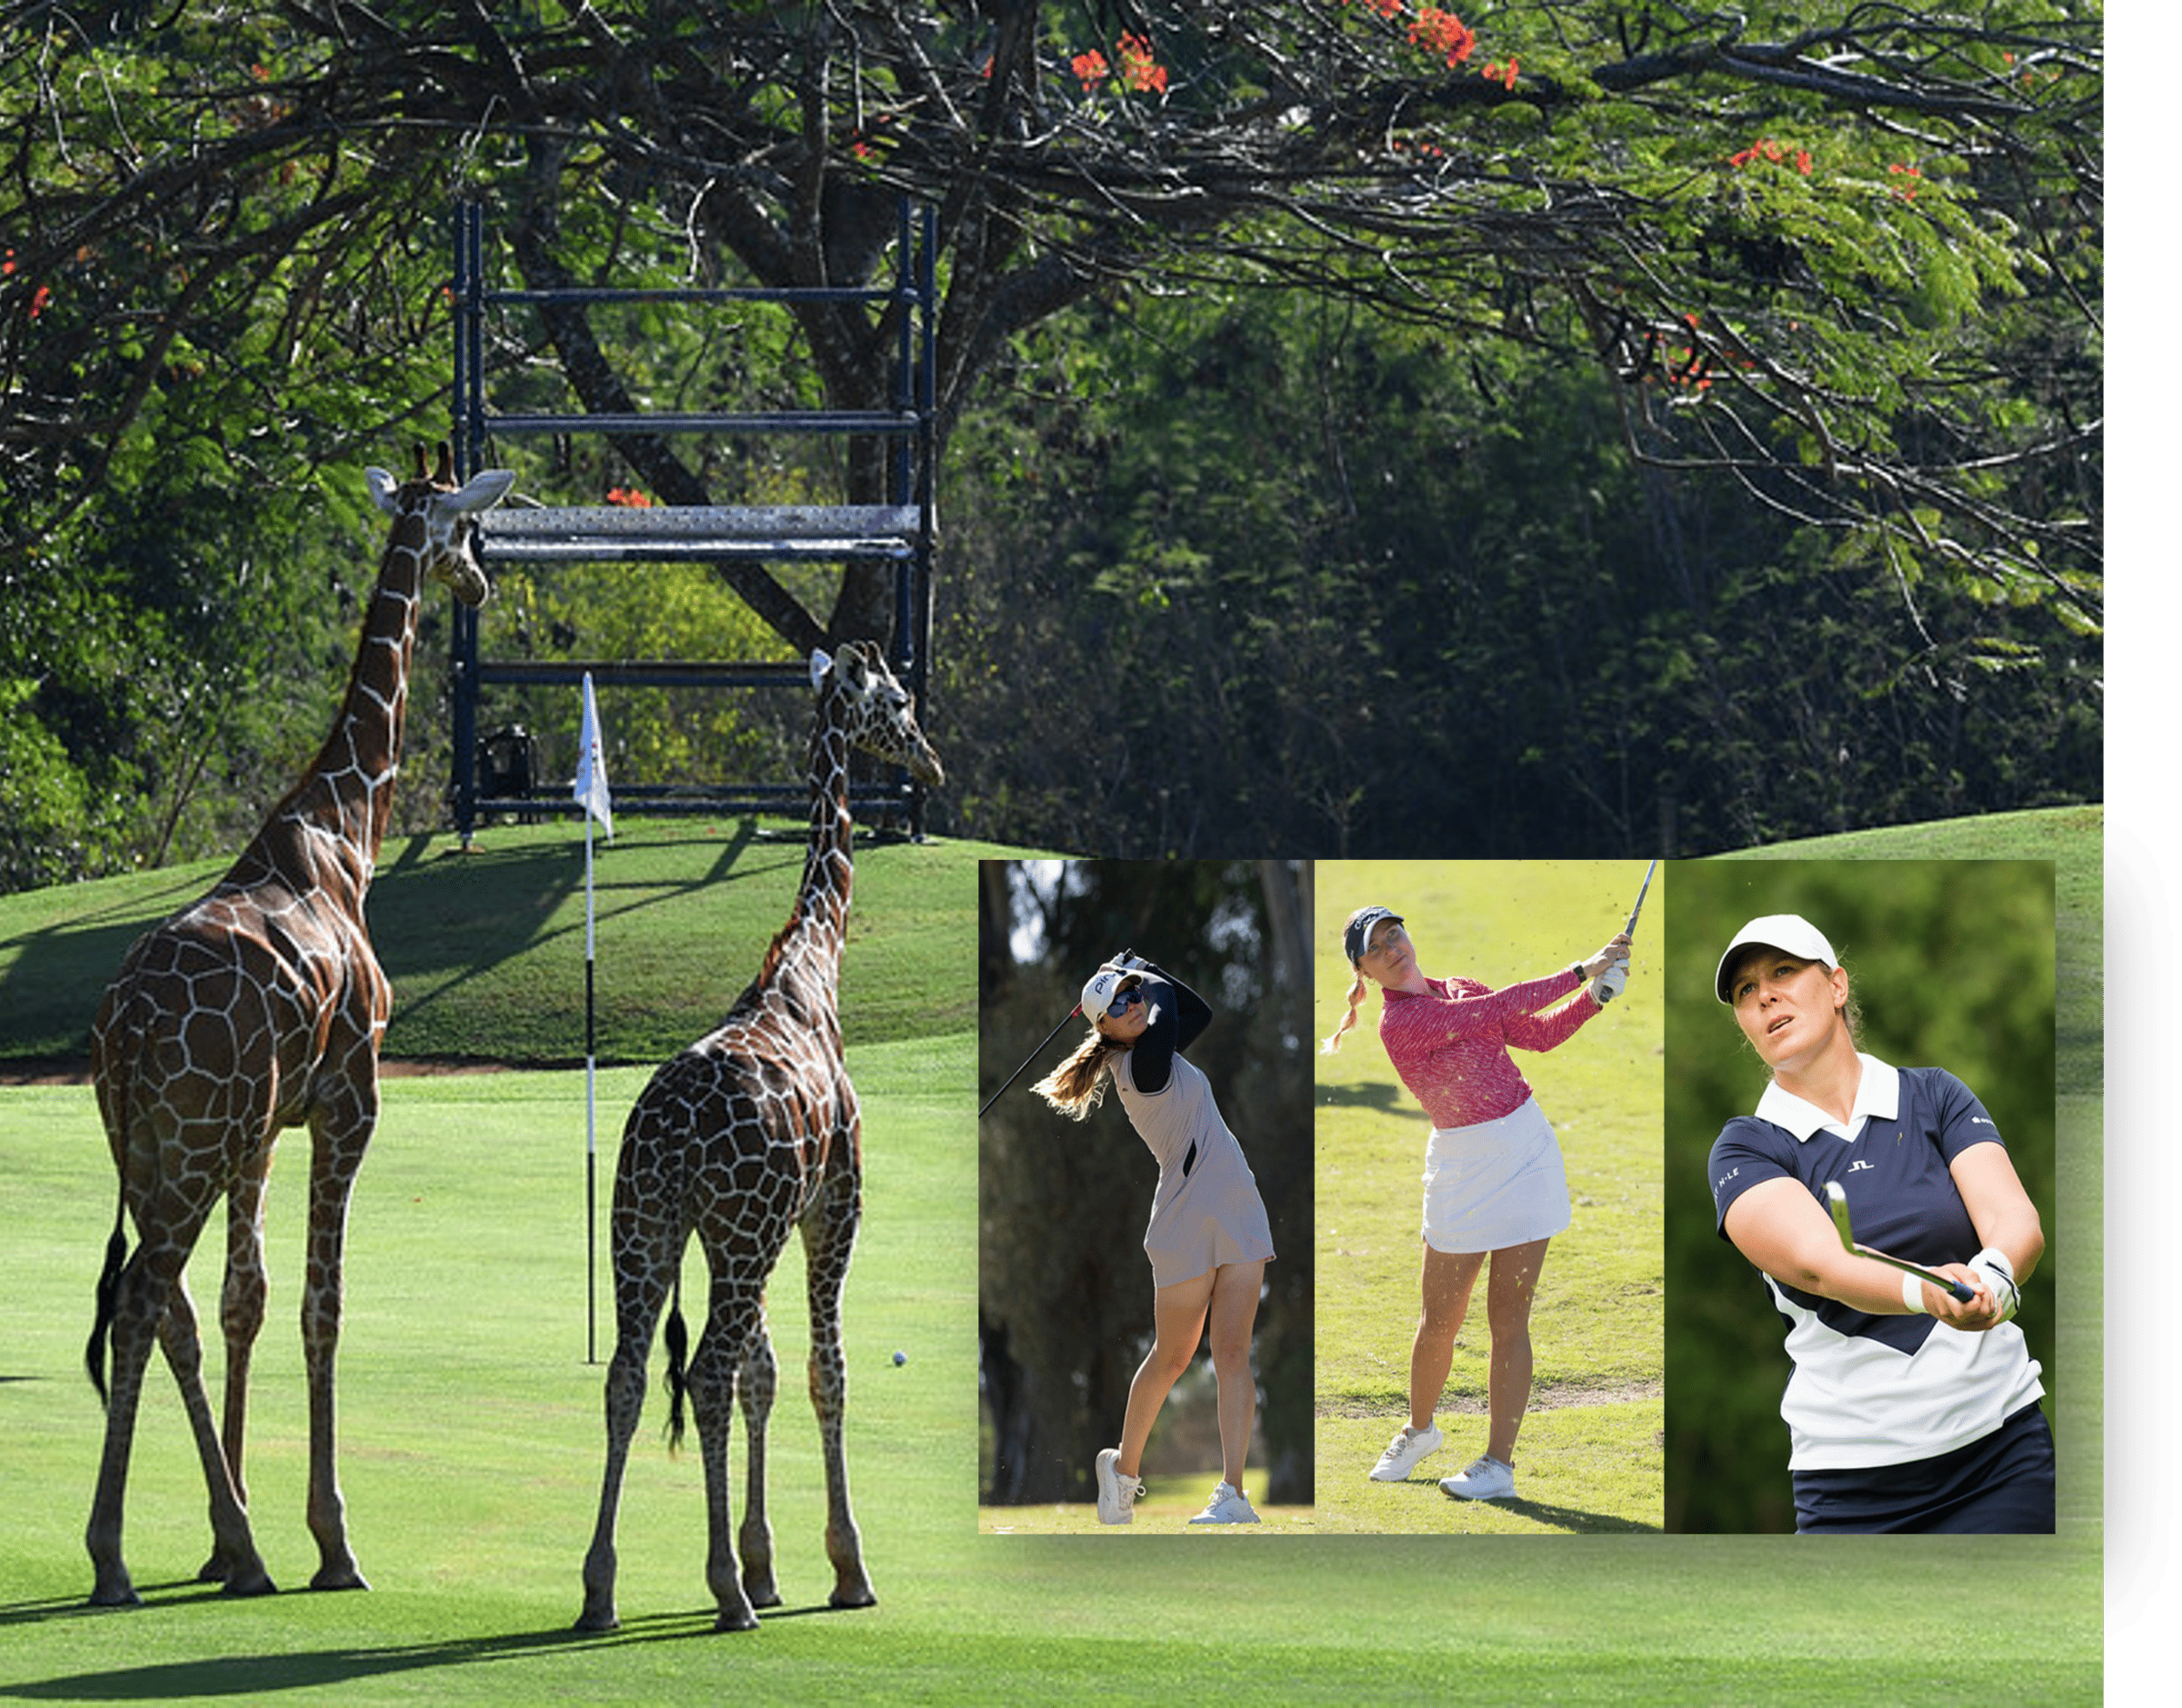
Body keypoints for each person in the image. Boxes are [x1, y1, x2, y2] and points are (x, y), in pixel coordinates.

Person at [1705, 914, 2052, 1533]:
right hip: (1854, 1486)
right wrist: (1930, 1291)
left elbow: (2011, 1215)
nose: (1764, 994)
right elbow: (1820, 1262)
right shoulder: (1746, 1148)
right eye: (1744, 990)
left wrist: (1994, 1278)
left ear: (1837, 985)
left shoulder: (1934, 1096)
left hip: (2001, 1452)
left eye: (1783, 970)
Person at [1323, 904, 1630, 1501]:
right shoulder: (1401, 1022)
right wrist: (1582, 969)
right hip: (1461, 1169)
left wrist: (1596, 997)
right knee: (1439, 1319)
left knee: (1508, 1319)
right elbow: (1493, 1011)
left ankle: (1498, 1465)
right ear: (1364, 970)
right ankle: (1419, 1429)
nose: (1393, 948)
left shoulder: (1462, 987)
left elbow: (1535, 1034)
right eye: (1377, 947)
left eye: (1395, 934)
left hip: (1526, 1151)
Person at [1031, 954, 1276, 1526]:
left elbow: (1197, 1010)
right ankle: (1122, 1473)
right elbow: (1170, 1013)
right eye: (1118, 1002)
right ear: (1104, 1028)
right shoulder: (1142, 1063)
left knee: (1235, 1356)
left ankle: (1233, 1495)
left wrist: (1138, 966)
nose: (1133, 1001)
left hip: (1238, 1205)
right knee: (1171, 1358)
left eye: (1133, 992)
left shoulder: (1153, 1043)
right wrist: (1137, 968)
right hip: (1186, 1219)